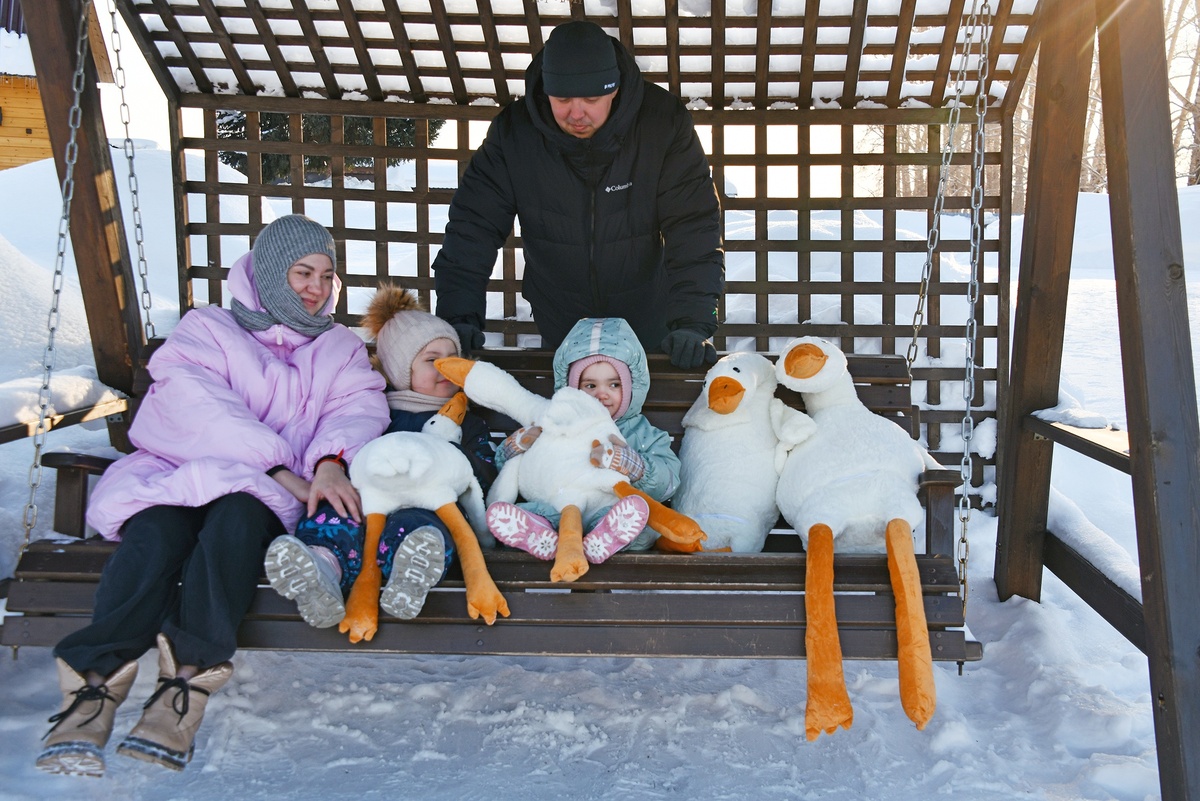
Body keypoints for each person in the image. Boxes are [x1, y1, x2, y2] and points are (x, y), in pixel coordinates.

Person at [37, 215, 390, 776]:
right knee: (153, 536)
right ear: (272, 272)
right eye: (303, 272)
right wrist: (275, 464)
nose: (316, 287)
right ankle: (91, 689)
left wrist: (329, 461)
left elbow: (359, 405)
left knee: (235, 525)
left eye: (327, 275)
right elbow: (191, 401)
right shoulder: (208, 329)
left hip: (260, 496)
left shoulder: (339, 347)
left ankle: (183, 691)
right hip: (179, 472)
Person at [432, 19, 724, 369]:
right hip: (561, 323)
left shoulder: (662, 124)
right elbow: (473, 227)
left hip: (649, 322)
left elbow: (693, 226)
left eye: (591, 98)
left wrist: (692, 323)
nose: (576, 113)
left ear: (614, 89)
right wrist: (458, 316)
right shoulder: (514, 135)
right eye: (563, 98)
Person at [264, 284, 497, 628]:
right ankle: (321, 566)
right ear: (401, 367)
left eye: (453, 359)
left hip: (430, 504)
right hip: (368, 502)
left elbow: (483, 475)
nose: (445, 368)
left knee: (423, 525)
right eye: (432, 361)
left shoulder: (466, 420)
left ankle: (410, 572)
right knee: (338, 512)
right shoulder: (377, 411)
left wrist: (455, 455)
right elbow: (350, 448)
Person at [485, 317, 680, 562]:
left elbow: (669, 481)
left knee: (640, 521)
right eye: (590, 385)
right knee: (531, 512)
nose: (602, 393)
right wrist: (517, 445)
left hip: (609, 512)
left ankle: (605, 536)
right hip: (559, 507)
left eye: (614, 384)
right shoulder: (557, 418)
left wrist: (635, 466)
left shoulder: (640, 433)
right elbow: (517, 469)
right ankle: (539, 533)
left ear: (631, 387)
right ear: (572, 388)